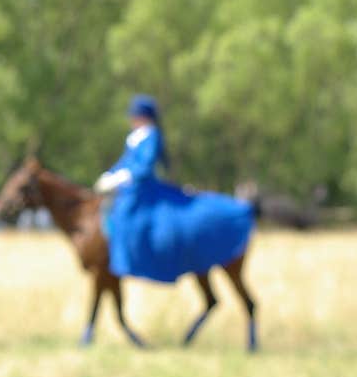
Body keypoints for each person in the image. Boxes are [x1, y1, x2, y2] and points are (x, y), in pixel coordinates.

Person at [93, 94, 255, 283]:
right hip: (130, 187)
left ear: (143, 116)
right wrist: (111, 174)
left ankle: (139, 254)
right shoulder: (134, 138)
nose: (132, 119)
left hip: (145, 187)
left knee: (131, 215)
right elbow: (125, 161)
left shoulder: (152, 135)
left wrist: (123, 177)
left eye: (135, 115)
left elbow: (145, 166)